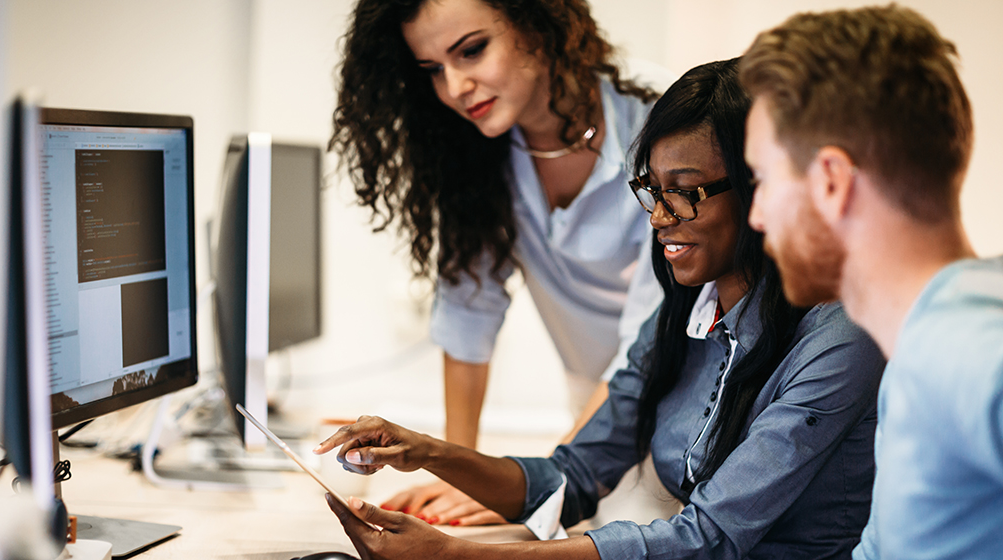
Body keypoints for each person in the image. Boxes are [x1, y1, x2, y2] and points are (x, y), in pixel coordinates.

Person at [316, 58, 887, 560]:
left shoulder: (838, 338)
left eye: (684, 192)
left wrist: (457, 559)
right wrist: (424, 451)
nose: (660, 218)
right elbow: (572, 476)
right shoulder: (684, 313)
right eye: (652, 191)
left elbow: (709, 538)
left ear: (761, 190)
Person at [329, 0, 671, 524]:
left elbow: (648, 337)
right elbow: (468, 312)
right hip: (588, 403)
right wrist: (456, 471)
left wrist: (540, 483)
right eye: (433, 70)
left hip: (679, 402)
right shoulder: (480, 148)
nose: (455, 87)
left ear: (537, 23)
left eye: (472, 50)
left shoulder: (661, 115)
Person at [741, 6, 1003, 559]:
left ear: (831, 181)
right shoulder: (917, 349)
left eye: (762, 180)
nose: (756, 216)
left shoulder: (962, 349)